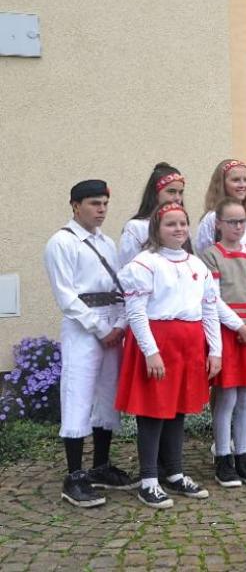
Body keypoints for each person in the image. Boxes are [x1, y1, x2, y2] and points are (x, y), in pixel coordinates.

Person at [117, 201, 219, 509]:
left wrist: (215, 350)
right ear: (157, 230)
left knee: (178, 409)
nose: (178, 229)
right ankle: (149, 479)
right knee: (153, 410)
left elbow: (209, 309)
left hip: (189, 344)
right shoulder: (145, 264)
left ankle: (174, 472)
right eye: (170, 224)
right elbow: (135, 312)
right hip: (158, 343)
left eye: (182, 224)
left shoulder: (198, 265)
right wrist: (151, 352)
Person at [44, 179, 137, 508]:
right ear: (75, 205)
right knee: (78, 393)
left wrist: (120, 323)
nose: (101, 210)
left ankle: (100, 465)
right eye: (94, 204)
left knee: (107, 396)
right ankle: (74, 476)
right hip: (84, 330)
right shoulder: (62, 242)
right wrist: (100, 328)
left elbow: (120, 287)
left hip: (112, 327)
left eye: (104, 204)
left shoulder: (107, 242)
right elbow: (66, 296)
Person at [199, 199, 246, 488]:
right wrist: (239, 326)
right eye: (231, 222)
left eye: (242, 221)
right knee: (226, 397)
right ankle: (223, 457)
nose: (237, 227)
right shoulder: (211, 256)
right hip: (228, 332)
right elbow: (212, 298)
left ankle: (243, 455)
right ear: (219, 224)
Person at [120, 163, 190, 268]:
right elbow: (127, 268)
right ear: (155, 193)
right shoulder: (136, 227)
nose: (177, 198)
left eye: (180, 192)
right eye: (171, 192)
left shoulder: (181, 226)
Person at [196, 159, 246, 253]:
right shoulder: (213, 218)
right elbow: (204, 254)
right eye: (236, 180)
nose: (242, 185)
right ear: (222, 184)